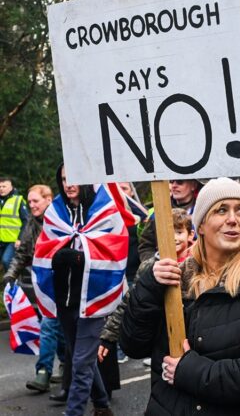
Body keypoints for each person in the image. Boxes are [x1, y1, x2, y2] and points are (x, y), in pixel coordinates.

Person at [120, 177, 240, 415]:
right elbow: (133, 345)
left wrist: (190, 371)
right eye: (221, 210)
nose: (232, 219)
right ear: (200, 225)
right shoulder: (174, 279)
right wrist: (150, 286)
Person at [40, 166, 118, 415]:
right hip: (66, 299)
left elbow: (114, 250)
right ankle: (103, 405)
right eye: (63, 179)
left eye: (73, 178)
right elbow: (45, 251)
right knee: (82, 358)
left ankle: (72, 412)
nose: (68, 184)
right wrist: (61, 256)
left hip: (94, 299)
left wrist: (73, 257)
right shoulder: (55, 213)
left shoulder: (104, 210)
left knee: (81, 362)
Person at [98, 209, 194, 366]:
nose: (174, 238)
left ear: (190, 235)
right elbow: (130, 301)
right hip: (163, 334)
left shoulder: (198, 263)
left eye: (179, 232)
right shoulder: (149, 266)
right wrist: (109, 336)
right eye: (168, 233)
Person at [2, 184, 66, 393]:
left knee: (54, 326)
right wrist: (10, 275)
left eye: (35, 201)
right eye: (29, 202)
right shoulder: (30, 223)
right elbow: (22, 255)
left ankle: (49, 371)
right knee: (52, 325)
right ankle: (48, 371)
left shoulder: (61, 219)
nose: (31, 205)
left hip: (65, 282)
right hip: (45, 285)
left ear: (48, 199)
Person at [138, 179, 200, 263]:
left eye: (179, 182)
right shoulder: (158, 212)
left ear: (193, 185)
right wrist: (155, 265)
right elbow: (146, 246)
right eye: (171, 181)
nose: (174, 185)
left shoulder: (204, 211)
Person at [0, 177, 29, 273]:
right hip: (1, 240)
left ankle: (13, 283)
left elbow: (26, 221)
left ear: (11, 187)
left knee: (6, 260)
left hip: (13, 240)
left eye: (4, 186)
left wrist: (20, 238)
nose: (1, 189)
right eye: (0, 186)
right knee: (4, 264)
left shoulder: (18, 200)